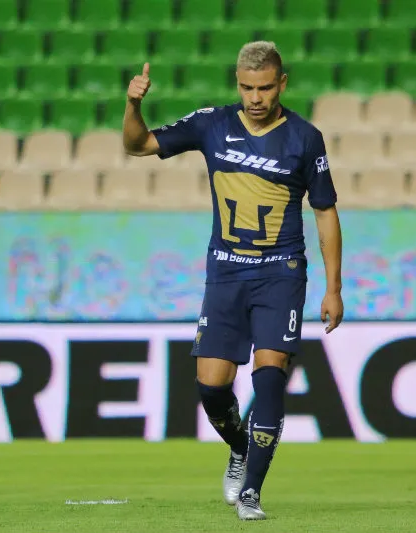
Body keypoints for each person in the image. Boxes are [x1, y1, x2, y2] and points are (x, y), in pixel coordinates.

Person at [122, 41, 344, 521]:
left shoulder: (305, 138)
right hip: (225, 271)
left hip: (280, 272)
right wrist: (133, 105)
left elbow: (324, 211)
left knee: (269, 380)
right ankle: (240, 447)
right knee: (212, 387)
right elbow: (137, 145)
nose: (256, 98)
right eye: (247, 88)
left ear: (281, 84)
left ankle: (251, 494)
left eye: (265, 88)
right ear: (237, 83)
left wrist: (333, 288)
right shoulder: (213, 124)